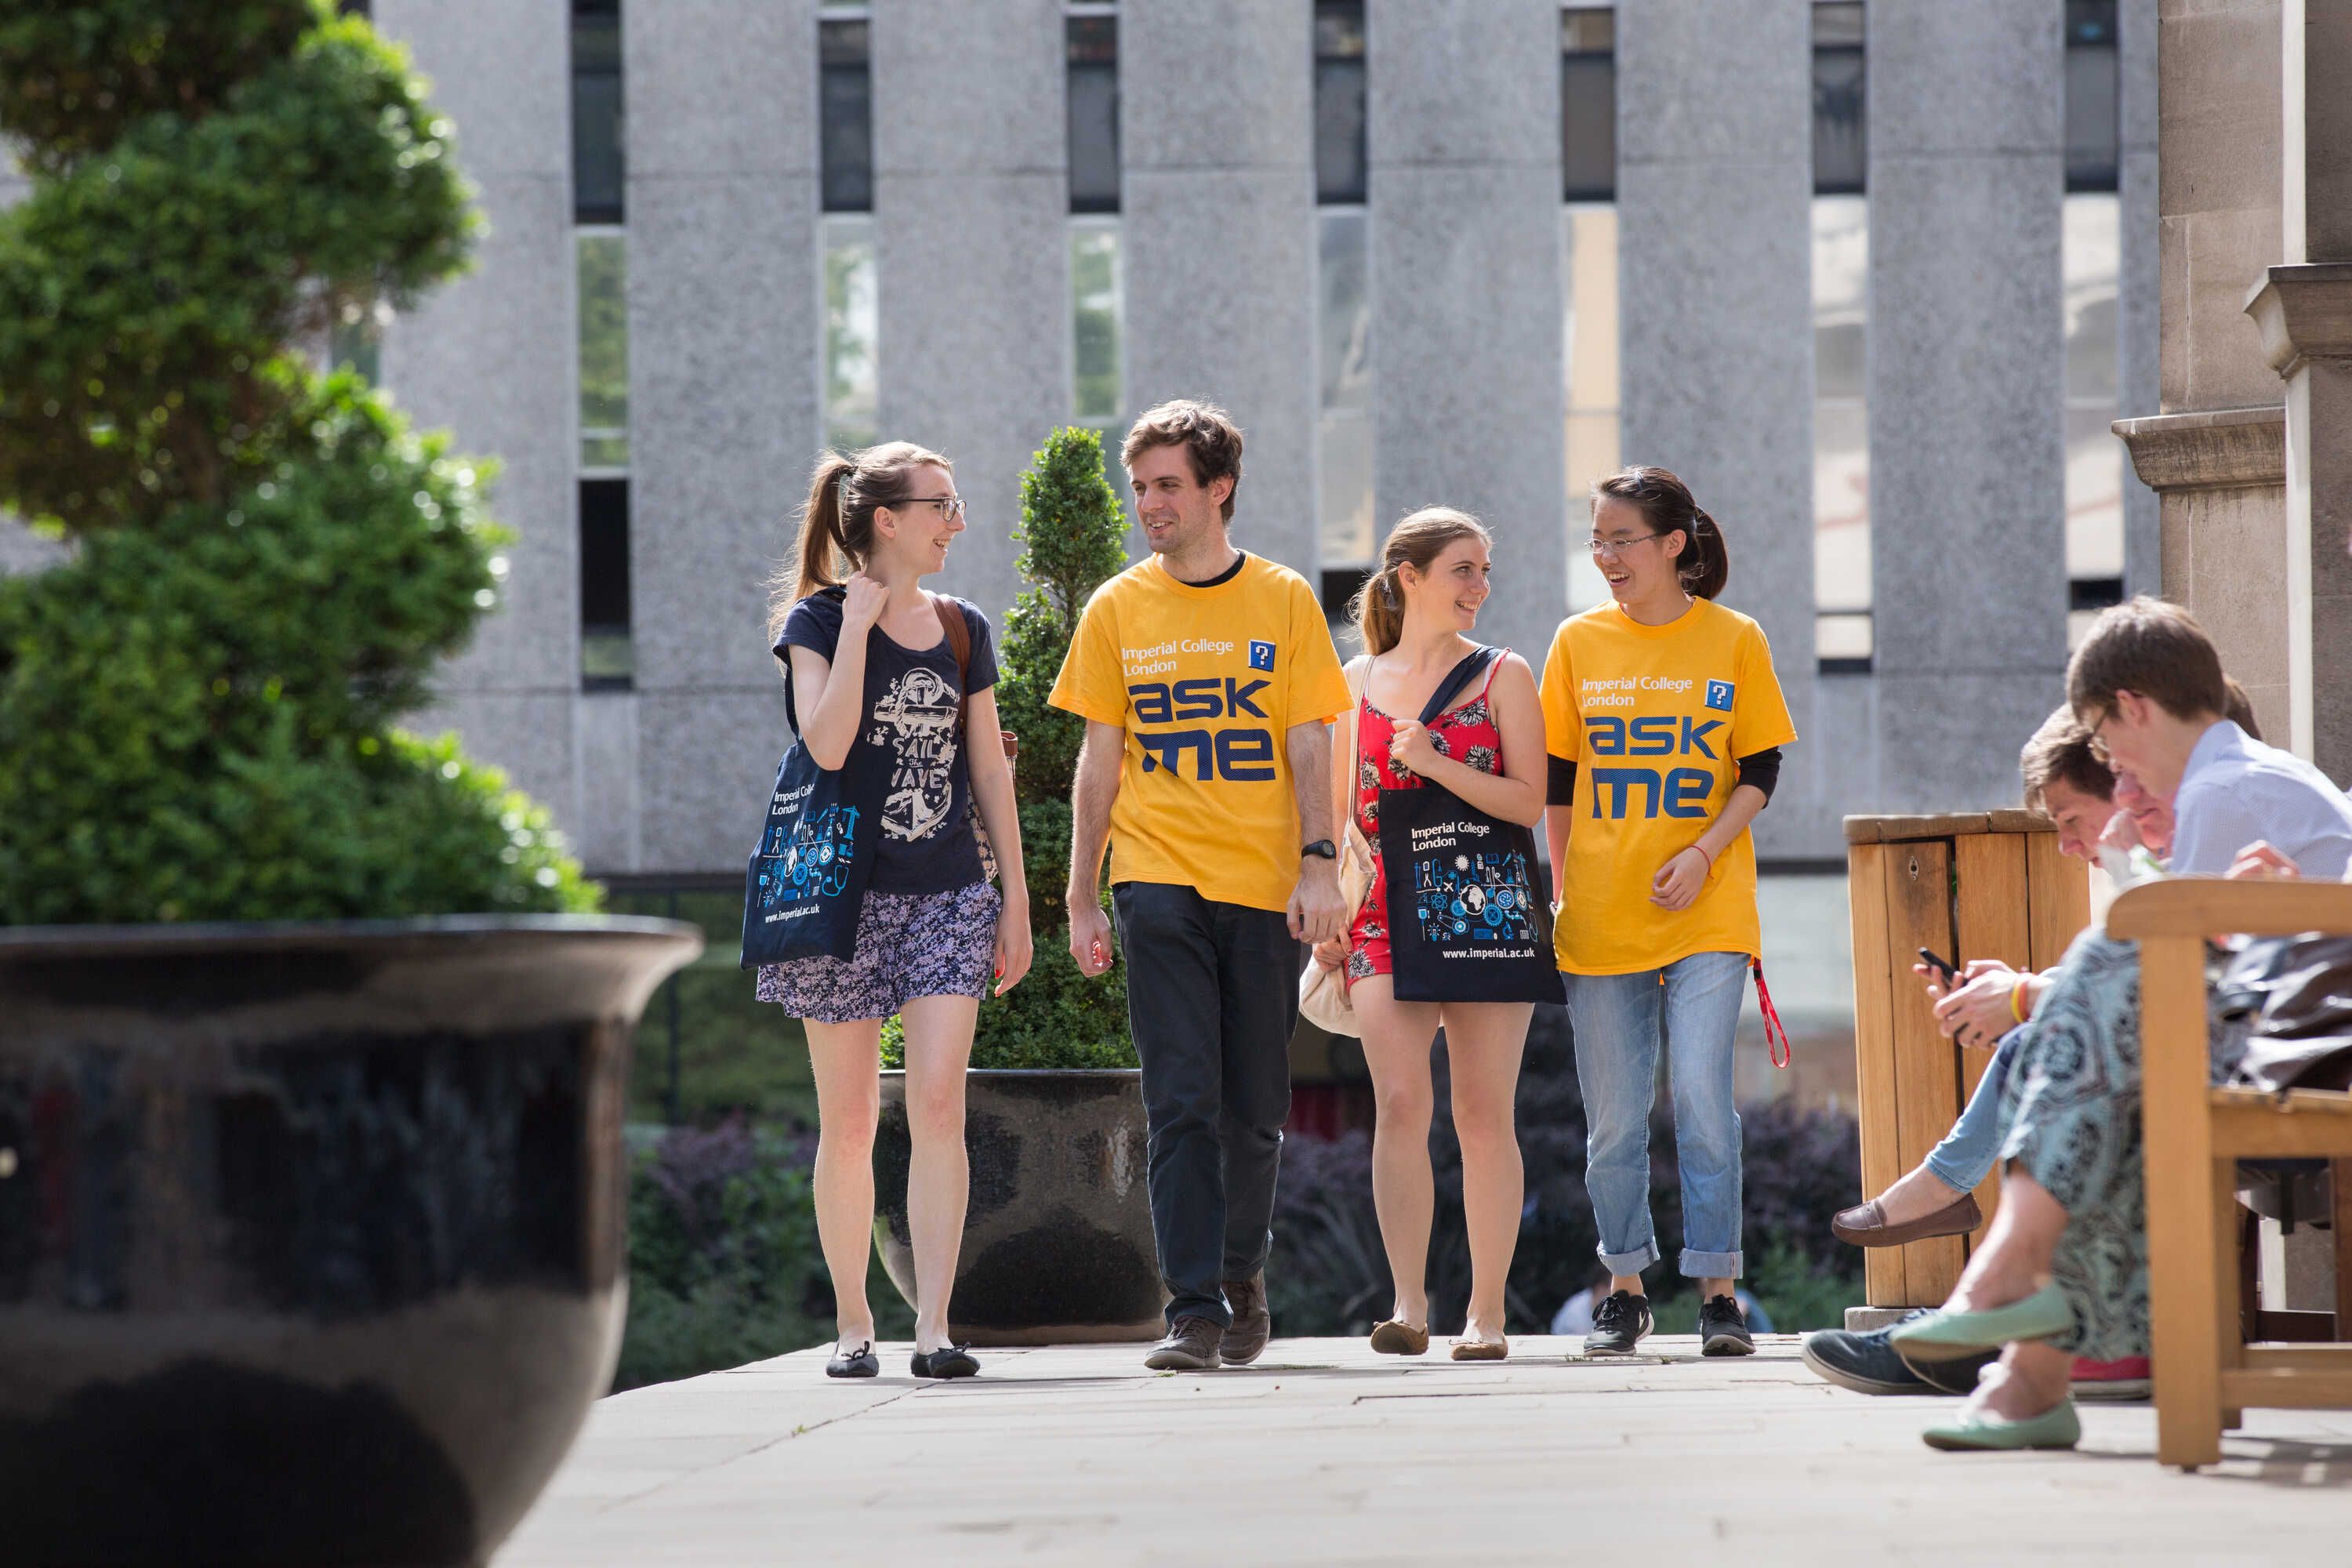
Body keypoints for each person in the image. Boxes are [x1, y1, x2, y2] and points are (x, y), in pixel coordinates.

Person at [1890, 598, 2352, 1451]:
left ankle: (2021, 1320)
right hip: (2304, 1049)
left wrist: (2041, 992)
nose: (2115, 764)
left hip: (2310, 1063)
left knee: (2110, 985)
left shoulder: (2223, 788)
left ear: (2132, 706)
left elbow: (2175, 974)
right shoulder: (2249, 777)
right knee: (2106, 1039)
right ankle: (2024, 1349)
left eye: (2106, 740)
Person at [1051, 399, 1352, 1371]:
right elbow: (1100, 759)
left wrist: (1320, 862)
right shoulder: (1117, 608)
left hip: (1266, 882)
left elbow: (1311, 737)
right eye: (1140, 487)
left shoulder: (1283, 597)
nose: (1149, 503)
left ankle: (1241, 1268)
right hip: (1155, 874)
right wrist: (1082, 893)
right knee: (1179, 1096)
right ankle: (1191, 1305)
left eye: (1168, 484)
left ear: (1218, 487)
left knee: (1254, 1103)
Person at [758, 443, 1033, 1381]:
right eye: (942, 505)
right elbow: (827, 746)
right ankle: (852, 1325)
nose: (957, 522)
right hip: (841, 898)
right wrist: (859, 632)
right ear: (887, 518)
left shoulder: (964, 626)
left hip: (949, 890)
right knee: (848, 1122)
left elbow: (990, 766)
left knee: (941, 1101)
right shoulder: (817, 619)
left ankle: (937, 1327)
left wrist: (1015, 901)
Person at [1538, 466, 1798, 1358]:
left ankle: (1720, 1290)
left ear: (1673, 544)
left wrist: (1702, 851)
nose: (1606, 556)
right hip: (1602, 914)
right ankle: (1624, 1286)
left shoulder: (1735, 638)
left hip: (1708, 907)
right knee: (1613, 1116)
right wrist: (1566, 884)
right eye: (1597, 541)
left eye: (1622, 540)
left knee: (1698, 1094)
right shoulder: (1577, 644)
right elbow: (1559, 783)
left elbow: (1759, 771)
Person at [1308, 509, 1547, 1360]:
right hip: (1380, 912)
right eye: (1463, 569)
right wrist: (1326, 920)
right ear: (1409, 576)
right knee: (1402, 1104)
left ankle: (1486, 1312)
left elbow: (1529, 802)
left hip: (1487, 906)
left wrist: (1436, 759)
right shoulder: (1353, 680)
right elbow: (1339, 817)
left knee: (1485, 1116)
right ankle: (1408, 1303)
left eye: (1484, 569)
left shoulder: (1505, 674)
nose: (1481, 586)